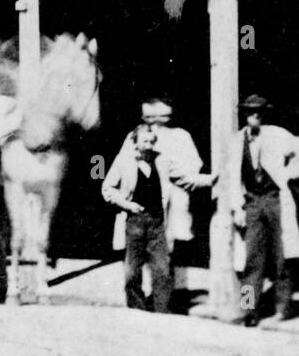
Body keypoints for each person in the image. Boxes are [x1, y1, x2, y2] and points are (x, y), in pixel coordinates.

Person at [103, 121, 213, 313]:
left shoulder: (162, 160)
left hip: (157, 223)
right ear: (135, 142)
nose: (149, 146)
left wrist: (211, 180)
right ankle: (136, 310)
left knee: (162, 270)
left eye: (152, 142)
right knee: (132, 272)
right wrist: (127, 204)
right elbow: (107, 188)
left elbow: (185, 179)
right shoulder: (123, 161)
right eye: (145, 141)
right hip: (134, 221)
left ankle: (161, 311)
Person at [229, 94, 298, 326]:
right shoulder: (237, 141)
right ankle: (249, 309)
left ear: (265, 114)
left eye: (258, 112)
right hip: (252, 202)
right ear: (244, 115)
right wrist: (237, 207)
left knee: (282, 258)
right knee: (252, 261)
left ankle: (282, 307)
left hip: (276, 200)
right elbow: (232, 178)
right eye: (249, 112)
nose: (254, 116)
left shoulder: (279, 135)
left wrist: (289, 174)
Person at [139, 95, 210, 306]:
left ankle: (161, 298)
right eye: (149, 118)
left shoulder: (180, 136)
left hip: (172, 199)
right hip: (145, 201)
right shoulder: (137, 136)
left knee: (164, 247)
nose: (153, 124)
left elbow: (192, 167)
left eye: (158, 118)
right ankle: (149, 295)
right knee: (144, 248)